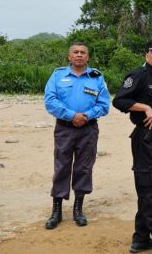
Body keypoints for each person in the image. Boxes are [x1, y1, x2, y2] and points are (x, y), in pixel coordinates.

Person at [112, 39, 152, 254]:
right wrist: (145, 107)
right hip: (146, 140)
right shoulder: (138, 75)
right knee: (151, 189)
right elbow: (119, 101)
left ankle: (140, 237)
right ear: (146, 53)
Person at [43, 42, 110, 230]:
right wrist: (72, 115)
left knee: (84, 168)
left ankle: (78, 209)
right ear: (69, 56)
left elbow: (104, 105)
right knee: (61, 166)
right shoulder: (58, 75)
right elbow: (50, 101)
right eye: (76, 52)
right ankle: (56, 210)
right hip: (64, 128)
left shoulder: (96, 77)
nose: (79, 55)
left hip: (88, 129)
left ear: (87, 57)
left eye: (83, 53)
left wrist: (86, 115)